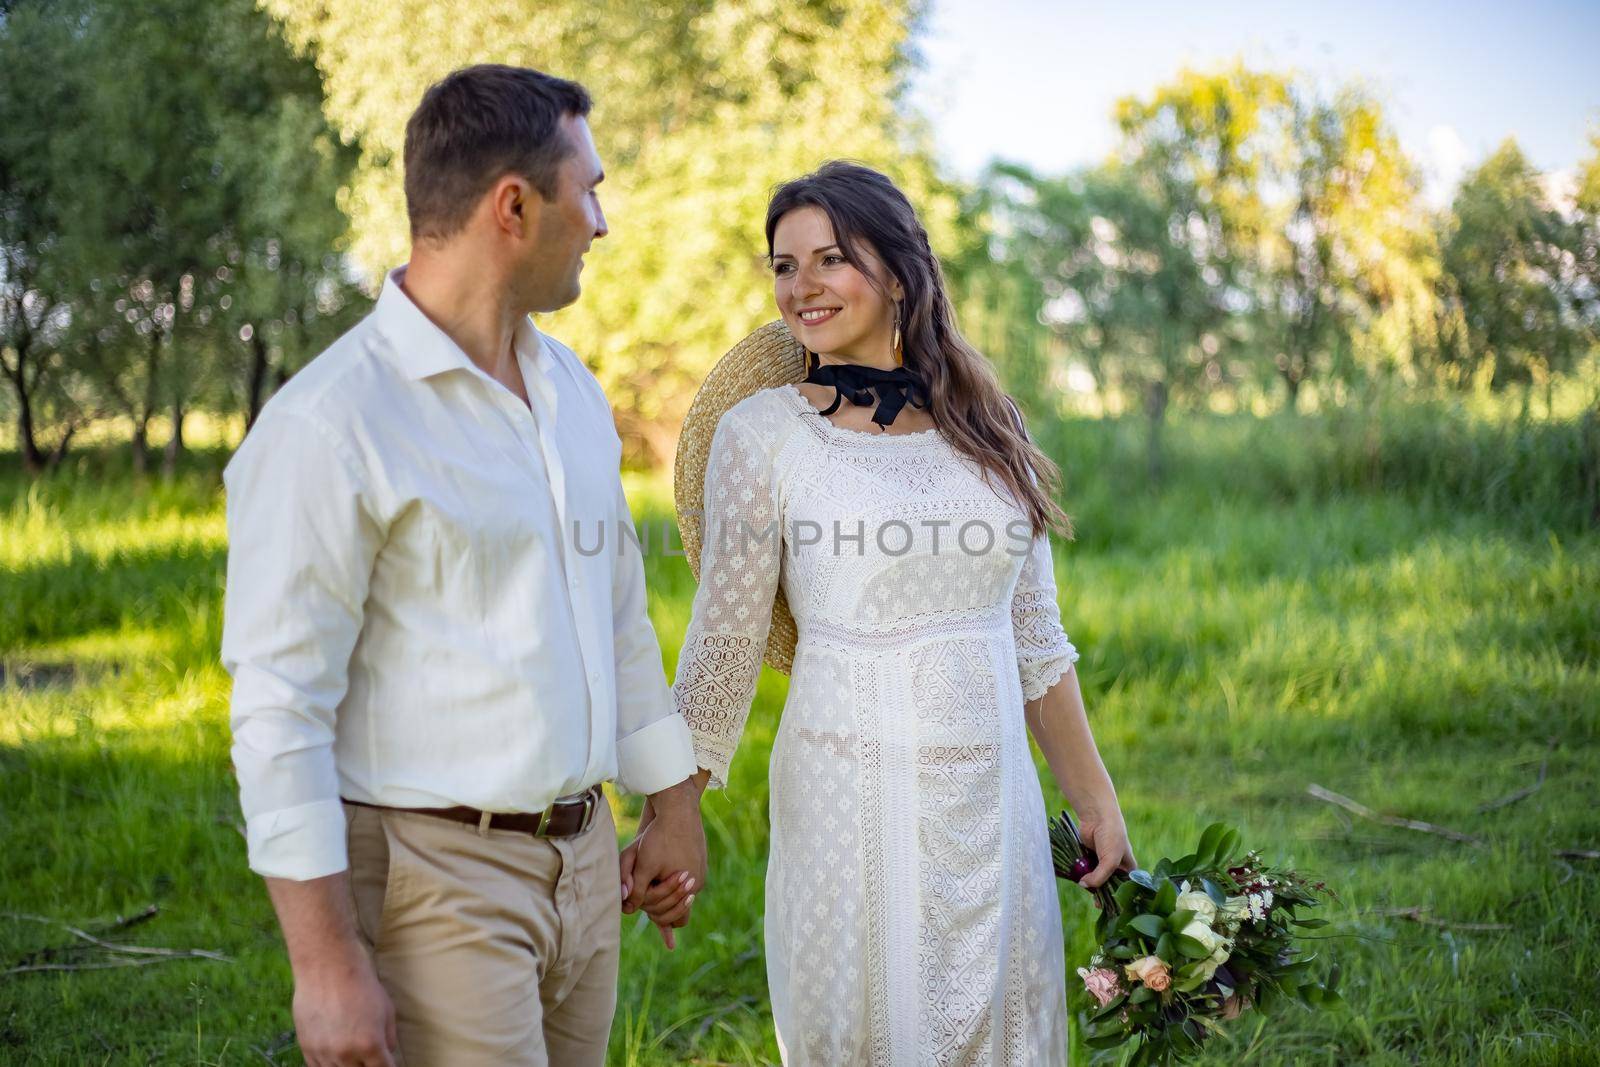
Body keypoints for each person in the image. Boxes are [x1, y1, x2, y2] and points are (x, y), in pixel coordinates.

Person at [220, 64, 706, 1067]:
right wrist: (325, 966)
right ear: (515, 206)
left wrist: (671, 804)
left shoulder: (568, 387)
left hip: (585, 866)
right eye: (593, 188)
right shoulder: (331, 422)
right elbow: (279, 706)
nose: (602, 222)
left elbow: (615, 615)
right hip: (434, 878)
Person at [654, 161, 1137, 1065]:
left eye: (830, 258)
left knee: (1005, 1029)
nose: (802, 286)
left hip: (994, 798)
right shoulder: (762, 436)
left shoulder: (993, 428)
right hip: (850, 796)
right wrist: (674, 811)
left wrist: (1094, 797)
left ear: (902, 269)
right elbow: (719, 648)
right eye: (784, 265)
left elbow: (1035, 640)